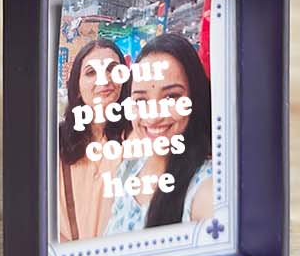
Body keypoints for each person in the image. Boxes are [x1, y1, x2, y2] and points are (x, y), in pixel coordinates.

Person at [105, 32, 213, 233]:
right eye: (141, 100)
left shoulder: (206, 188)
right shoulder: (126, 170)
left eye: (171, 97)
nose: (153, 116)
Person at [56, 40, 131, 242]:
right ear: (77, 87)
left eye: (112, 69)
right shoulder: (54, 142)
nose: (104, 79)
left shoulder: (138, 137)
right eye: (91, 72)